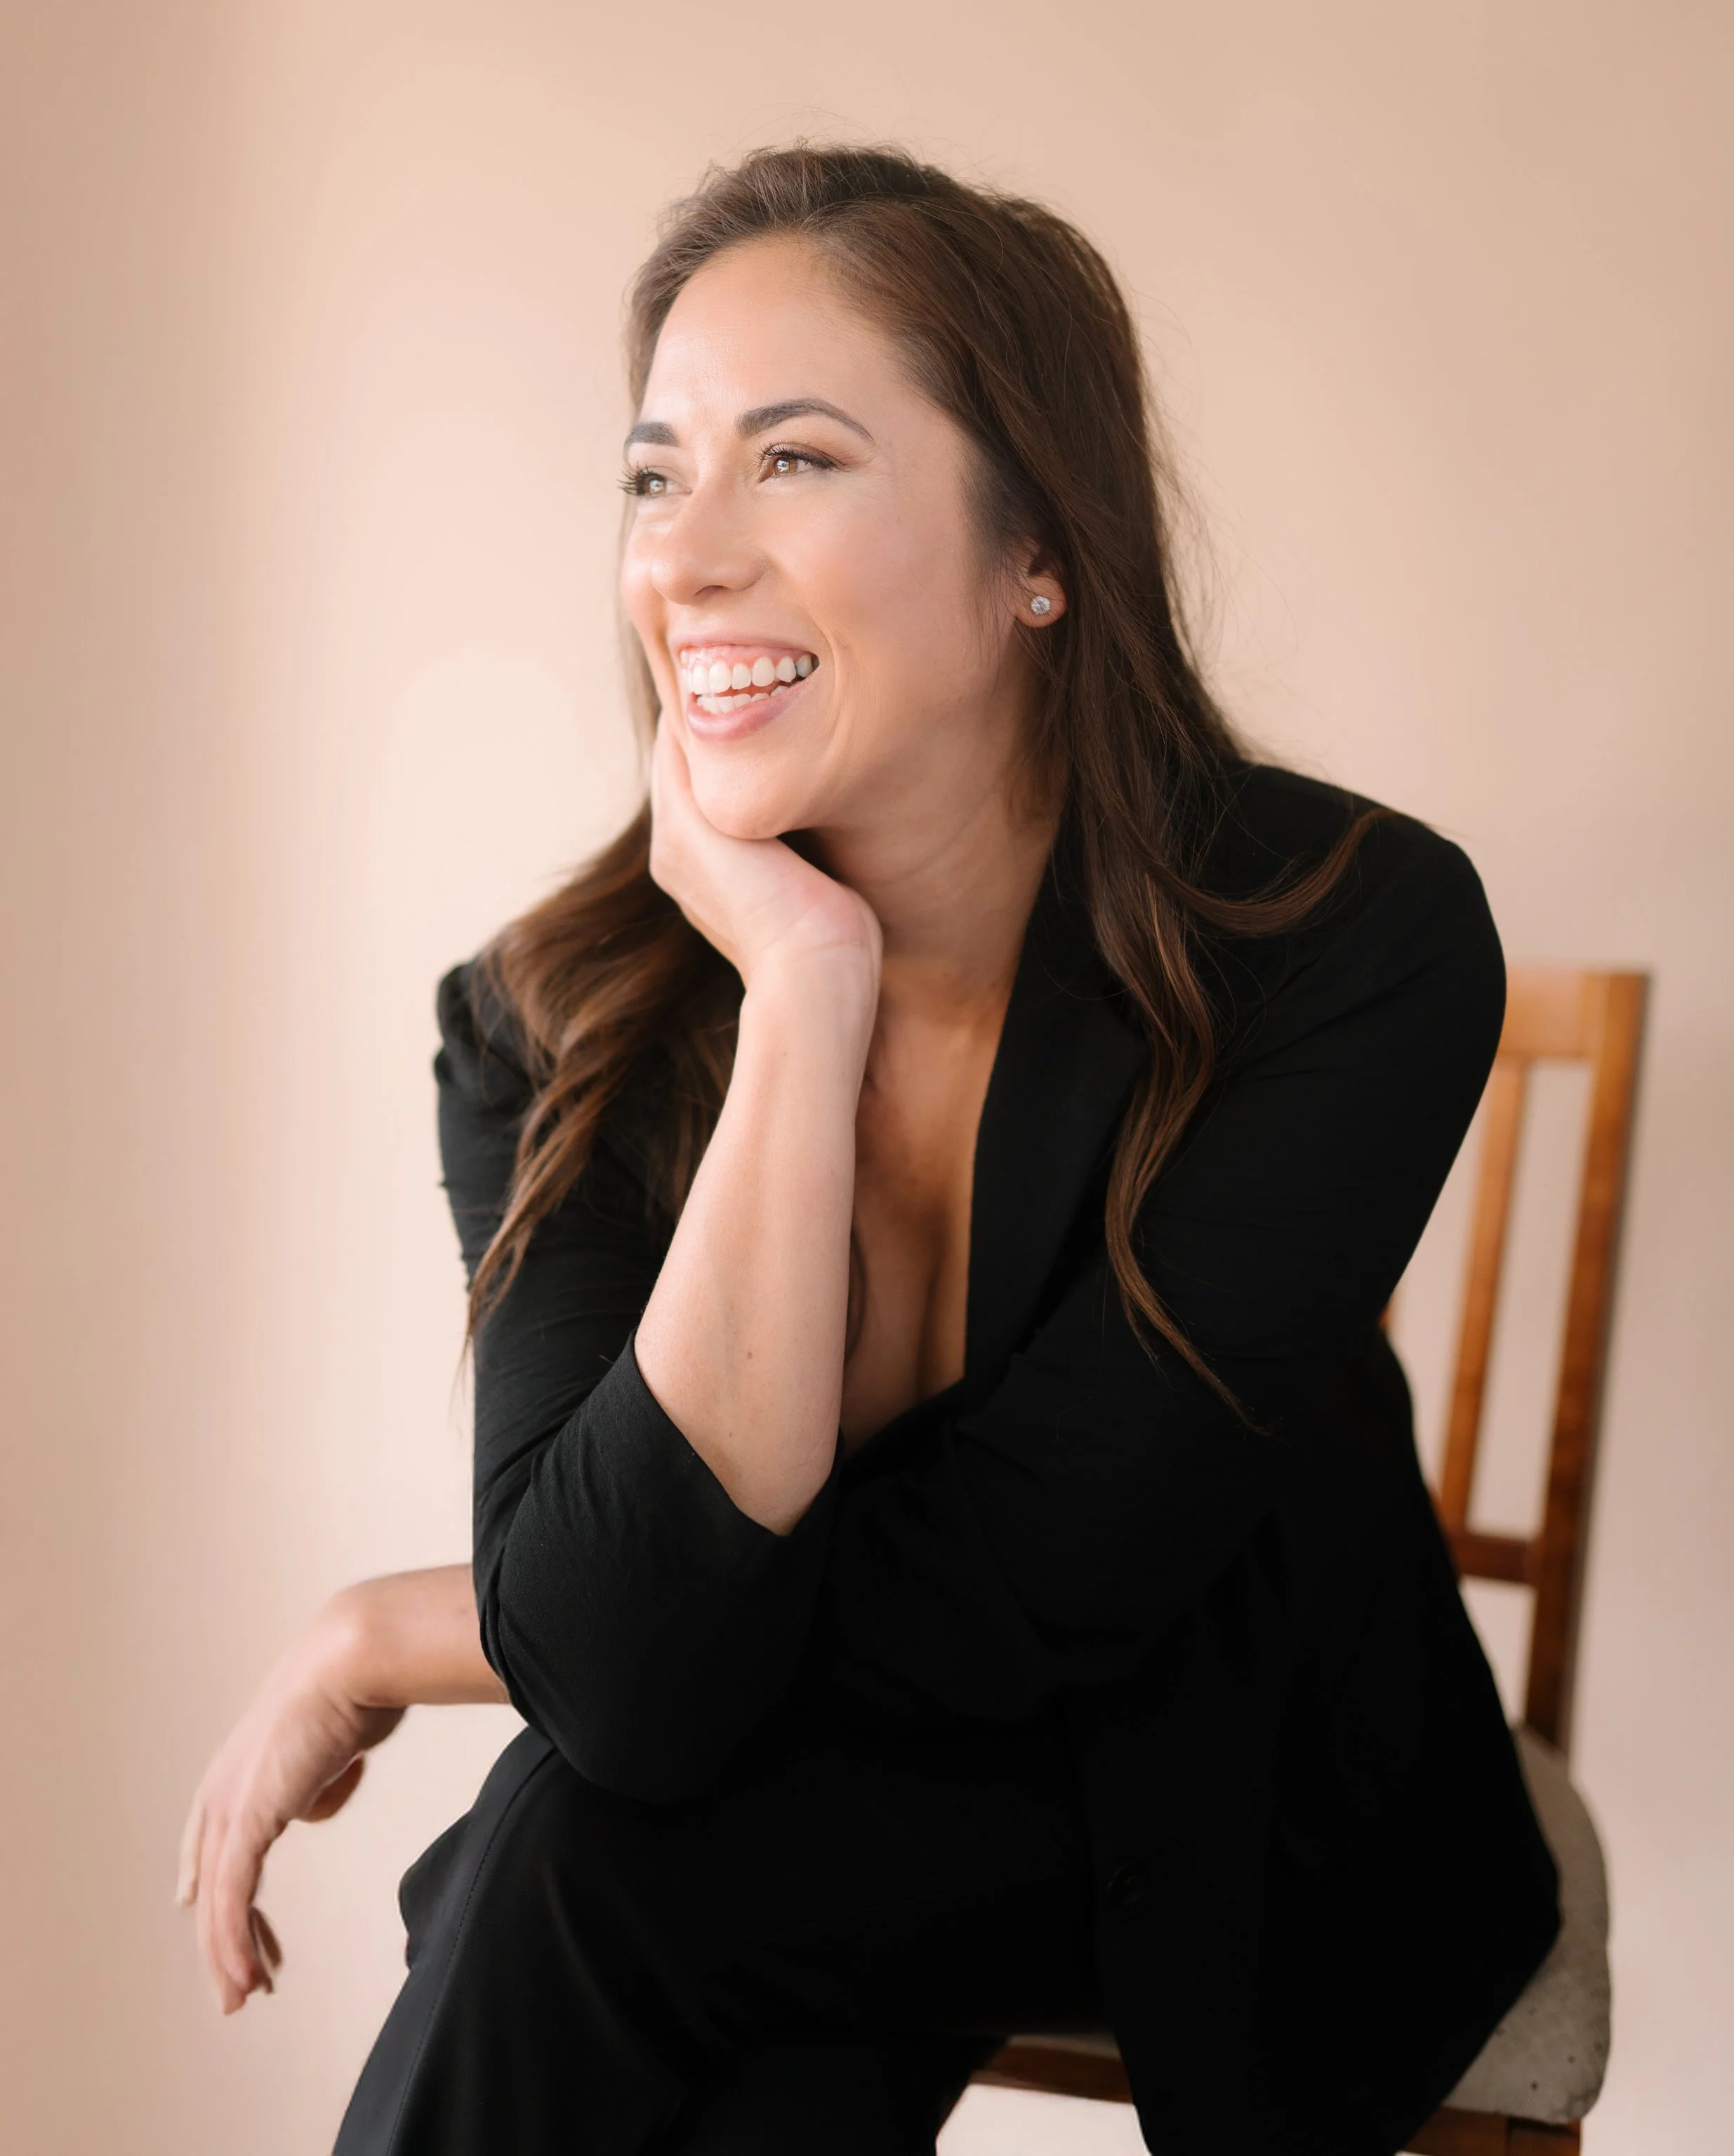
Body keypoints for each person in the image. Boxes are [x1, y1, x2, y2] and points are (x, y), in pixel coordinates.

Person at [178, 146, 1560, 2156]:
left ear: (1038, 548)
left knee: (585, 1852)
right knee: (645, 1909)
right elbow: (630, 1664)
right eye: (656, 474)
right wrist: (806, 988)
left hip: (1230, 1782)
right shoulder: (546, 1015)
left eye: (795, 460)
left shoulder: (1346, 932)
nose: (686, 556)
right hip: (773, 1805)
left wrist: (399, 1622)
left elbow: (1042, 1576)